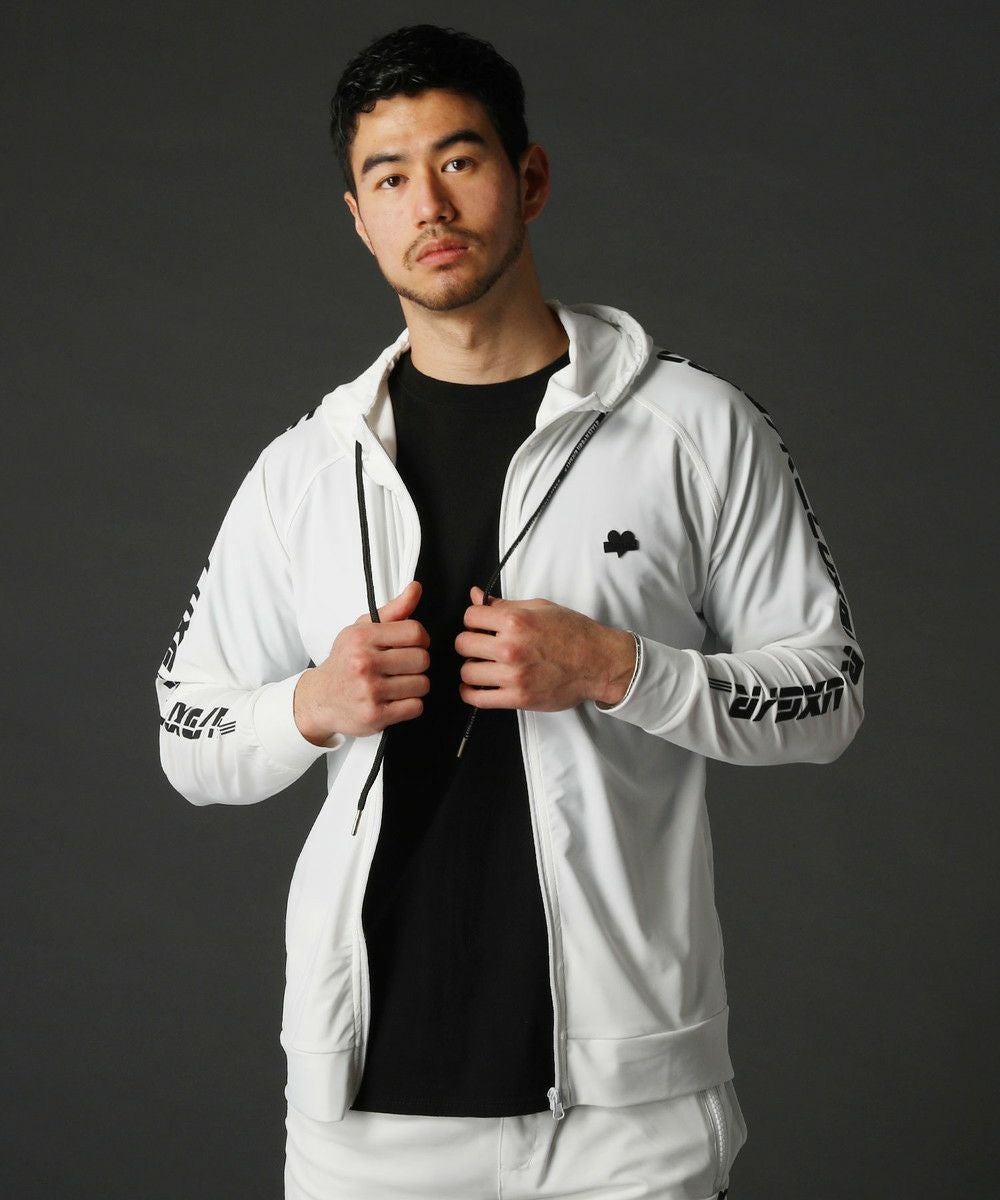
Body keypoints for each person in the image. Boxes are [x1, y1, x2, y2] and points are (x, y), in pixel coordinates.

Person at [156, 23, 865, 1200]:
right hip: (363, 1115)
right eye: (390, 177)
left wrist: (622, 669)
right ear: (359, 218)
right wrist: (310, 707)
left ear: (527, 178)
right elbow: (184, 732)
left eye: (459, 160)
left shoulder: (692, 427)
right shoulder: (305, 470)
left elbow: (829, 691)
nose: (428, 203)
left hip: (627, 1113)